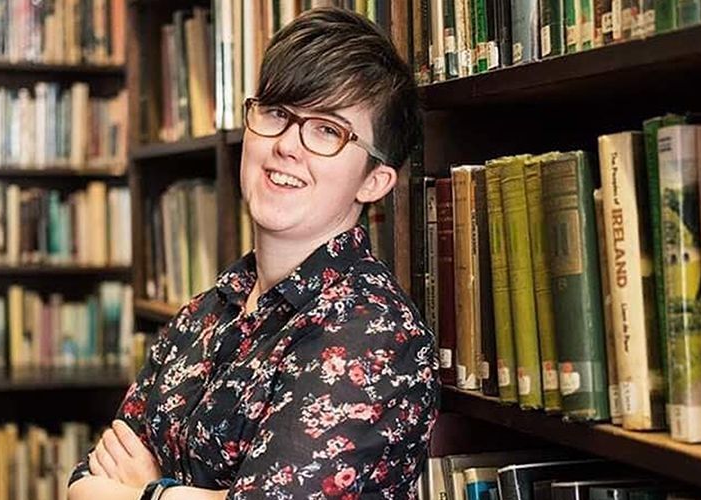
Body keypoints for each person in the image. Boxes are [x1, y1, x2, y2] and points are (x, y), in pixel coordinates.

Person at [67, 7, 439, 500]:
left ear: (374, 181)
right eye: (277, 113)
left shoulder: (377, 336)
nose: (287, 145)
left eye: (327, 130)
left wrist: (148, 491)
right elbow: (85, 481)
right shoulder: (206, 311)